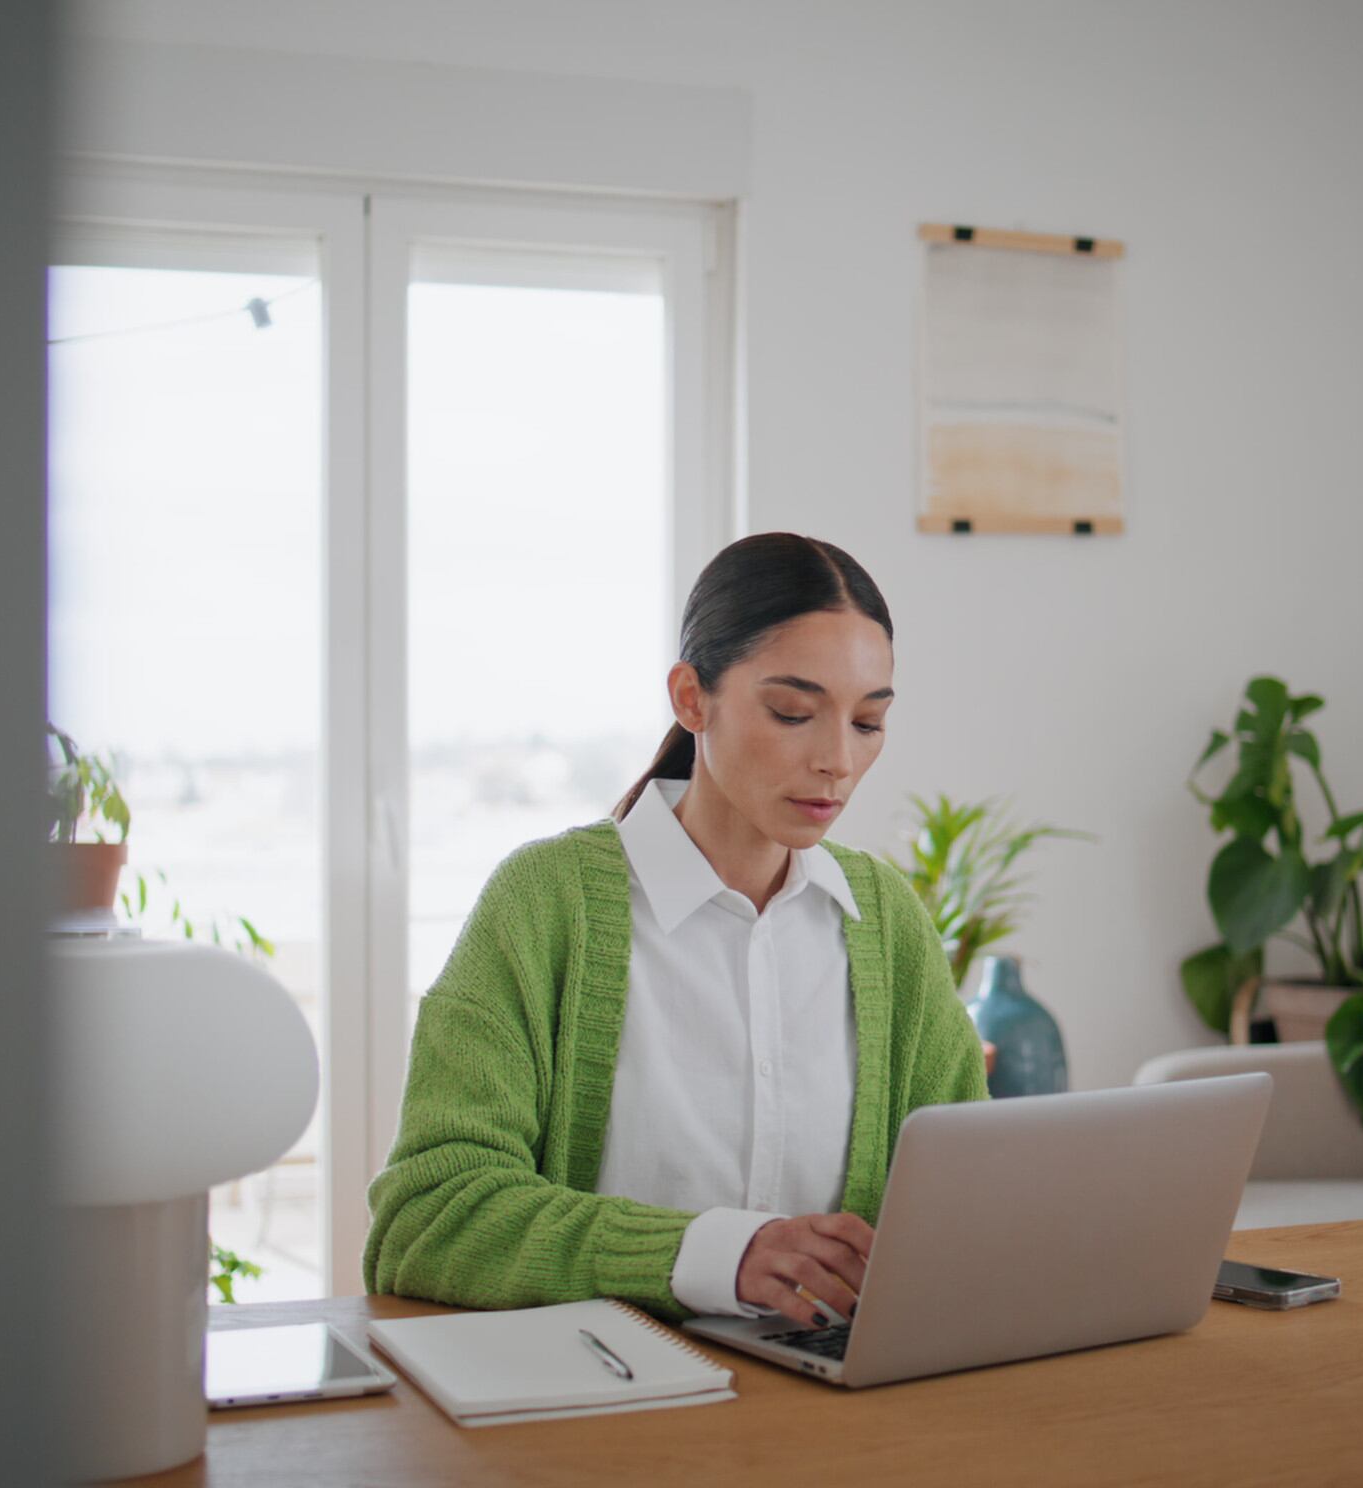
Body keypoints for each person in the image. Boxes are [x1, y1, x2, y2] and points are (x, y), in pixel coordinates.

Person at [363, 532, 989, 1331]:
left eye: (867, 723)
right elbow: (427, 1222)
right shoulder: (546, 904)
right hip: (602, 1404)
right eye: (793, 712)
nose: (837, 758)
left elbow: (962, 1203)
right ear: (692, 698)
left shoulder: (885, 920)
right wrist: (717, 1254)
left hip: (834, 1408)